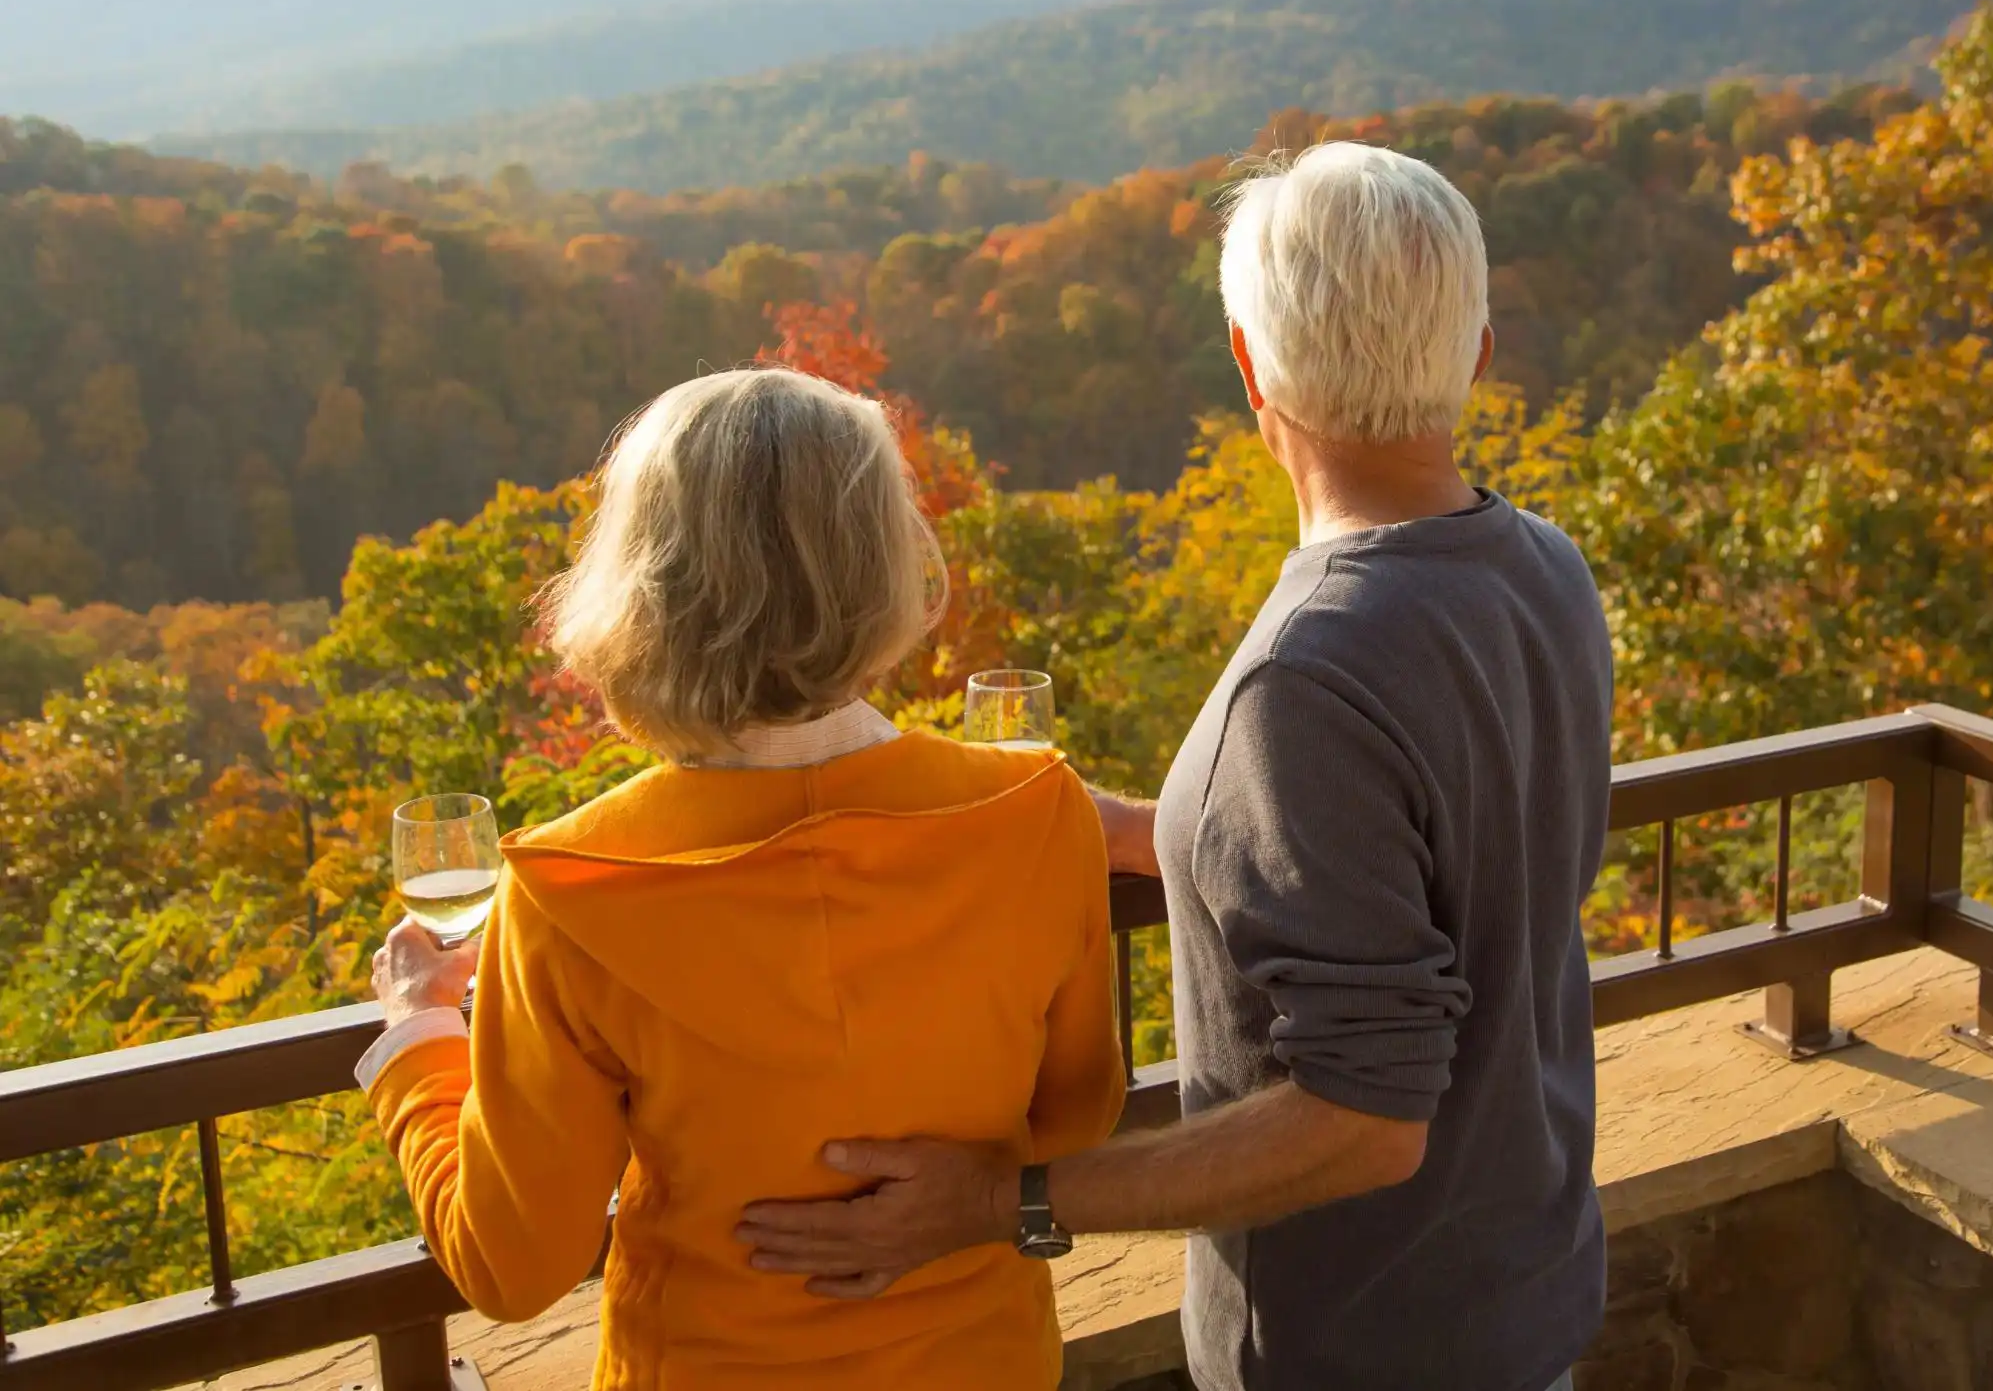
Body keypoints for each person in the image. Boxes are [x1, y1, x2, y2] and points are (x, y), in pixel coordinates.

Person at [736, 142, 1614, 1391]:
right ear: (1475, 352)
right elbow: (1436, 857)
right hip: (1519, 1293)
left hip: (1365, 1347)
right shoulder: (1544, 571)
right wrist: (1161, 831)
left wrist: (1001, 1198)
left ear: (1250, 364)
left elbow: (1366, 1118)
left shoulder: (1308, 675)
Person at [359, 367, 1124, 1389]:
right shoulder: (1037, 811)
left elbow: (511, 1264)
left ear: (645, 584)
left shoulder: (571, 886)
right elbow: (1075, 1116)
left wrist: (419, 1037)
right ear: (885, 564)